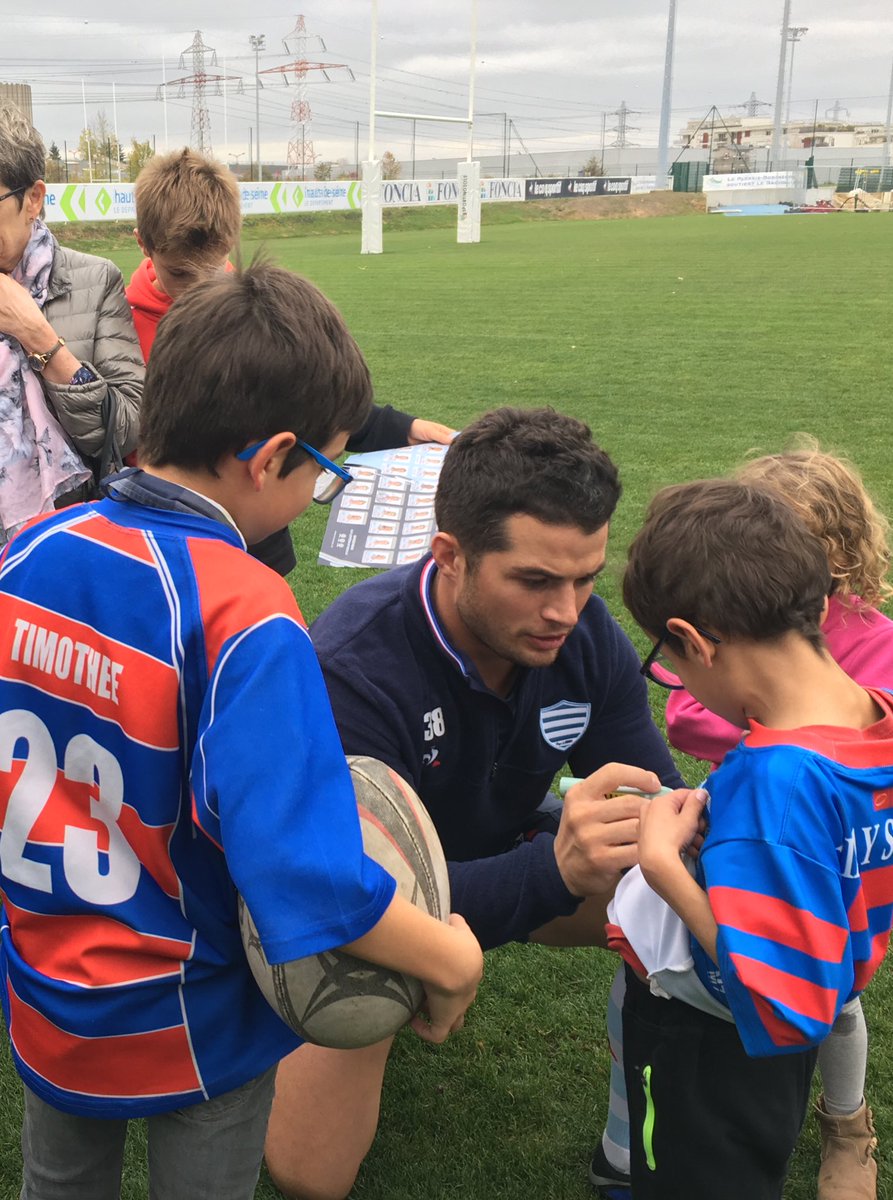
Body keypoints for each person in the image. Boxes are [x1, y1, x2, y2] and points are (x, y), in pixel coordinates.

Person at [0, 260, 482, 1200]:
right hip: (193, 1009)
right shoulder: (246, 611)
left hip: (47, 989)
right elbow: (300, 872)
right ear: (271, 457)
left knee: (57, 1184)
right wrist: (449, 956)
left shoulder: (28, 554)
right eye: (325, 471)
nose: (317, 493)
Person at [264, 406, 686, 1199]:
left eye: (585, 576)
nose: (566, 610)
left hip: (504, 858)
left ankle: (636, 1139)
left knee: (682, 894)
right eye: (534, 580)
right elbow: (356, 895)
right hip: (374, 913)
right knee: (308, 1174)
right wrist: (552, 869)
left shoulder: (581, 634)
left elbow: (651, 791)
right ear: (450, 556)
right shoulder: (354, 665)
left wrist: (668, 826)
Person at [609, 477, 893, 1200]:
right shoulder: (875, 717)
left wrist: (663, 868)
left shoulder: (775, 788)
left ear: (696, 643)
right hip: (788, 1039)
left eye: (669, 666)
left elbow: (782, 1003)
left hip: (710, 1047)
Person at [126, 147, 454, 574]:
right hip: (165, 532)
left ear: (232, 242)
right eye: (181, 275)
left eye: (213, 272)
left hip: (259, 538)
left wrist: (401, 428)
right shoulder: (116, 321)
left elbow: (299, 391)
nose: (200, 294)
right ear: (143, 244)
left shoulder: (251, 310)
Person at [0, 101, 143, 541]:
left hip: (59, 537)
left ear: (34, 199)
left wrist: (36, 334)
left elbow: (126, 428)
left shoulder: (95, 280)